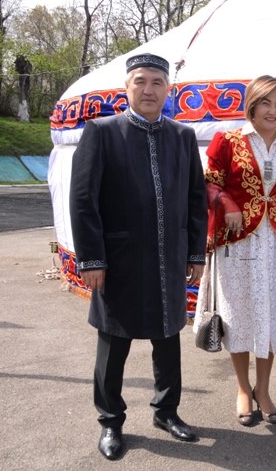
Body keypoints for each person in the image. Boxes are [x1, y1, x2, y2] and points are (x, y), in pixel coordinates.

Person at [70, 53, 207, 460]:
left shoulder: (183, 136)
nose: (149, 89)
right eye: (141, 81)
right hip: (119, 260)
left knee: (168, 337)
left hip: (169, 258)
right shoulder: (102, 132)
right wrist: (92, 259)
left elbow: (196, 198)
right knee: (114, 342)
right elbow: (83, 200)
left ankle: (166, 411)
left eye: (157, 82)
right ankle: (111, 420)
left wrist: (195, 252)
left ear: (168, 89)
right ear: (126, 87)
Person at [194, 75, 276, 427]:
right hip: (237, 242)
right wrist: (227, 202)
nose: (272, 111)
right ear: (252, 106)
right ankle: (243, 388)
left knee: (269, 314)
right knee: (240, 315)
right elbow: (207, 184)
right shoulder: (228, 140)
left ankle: (264, 388)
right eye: (265, 103)